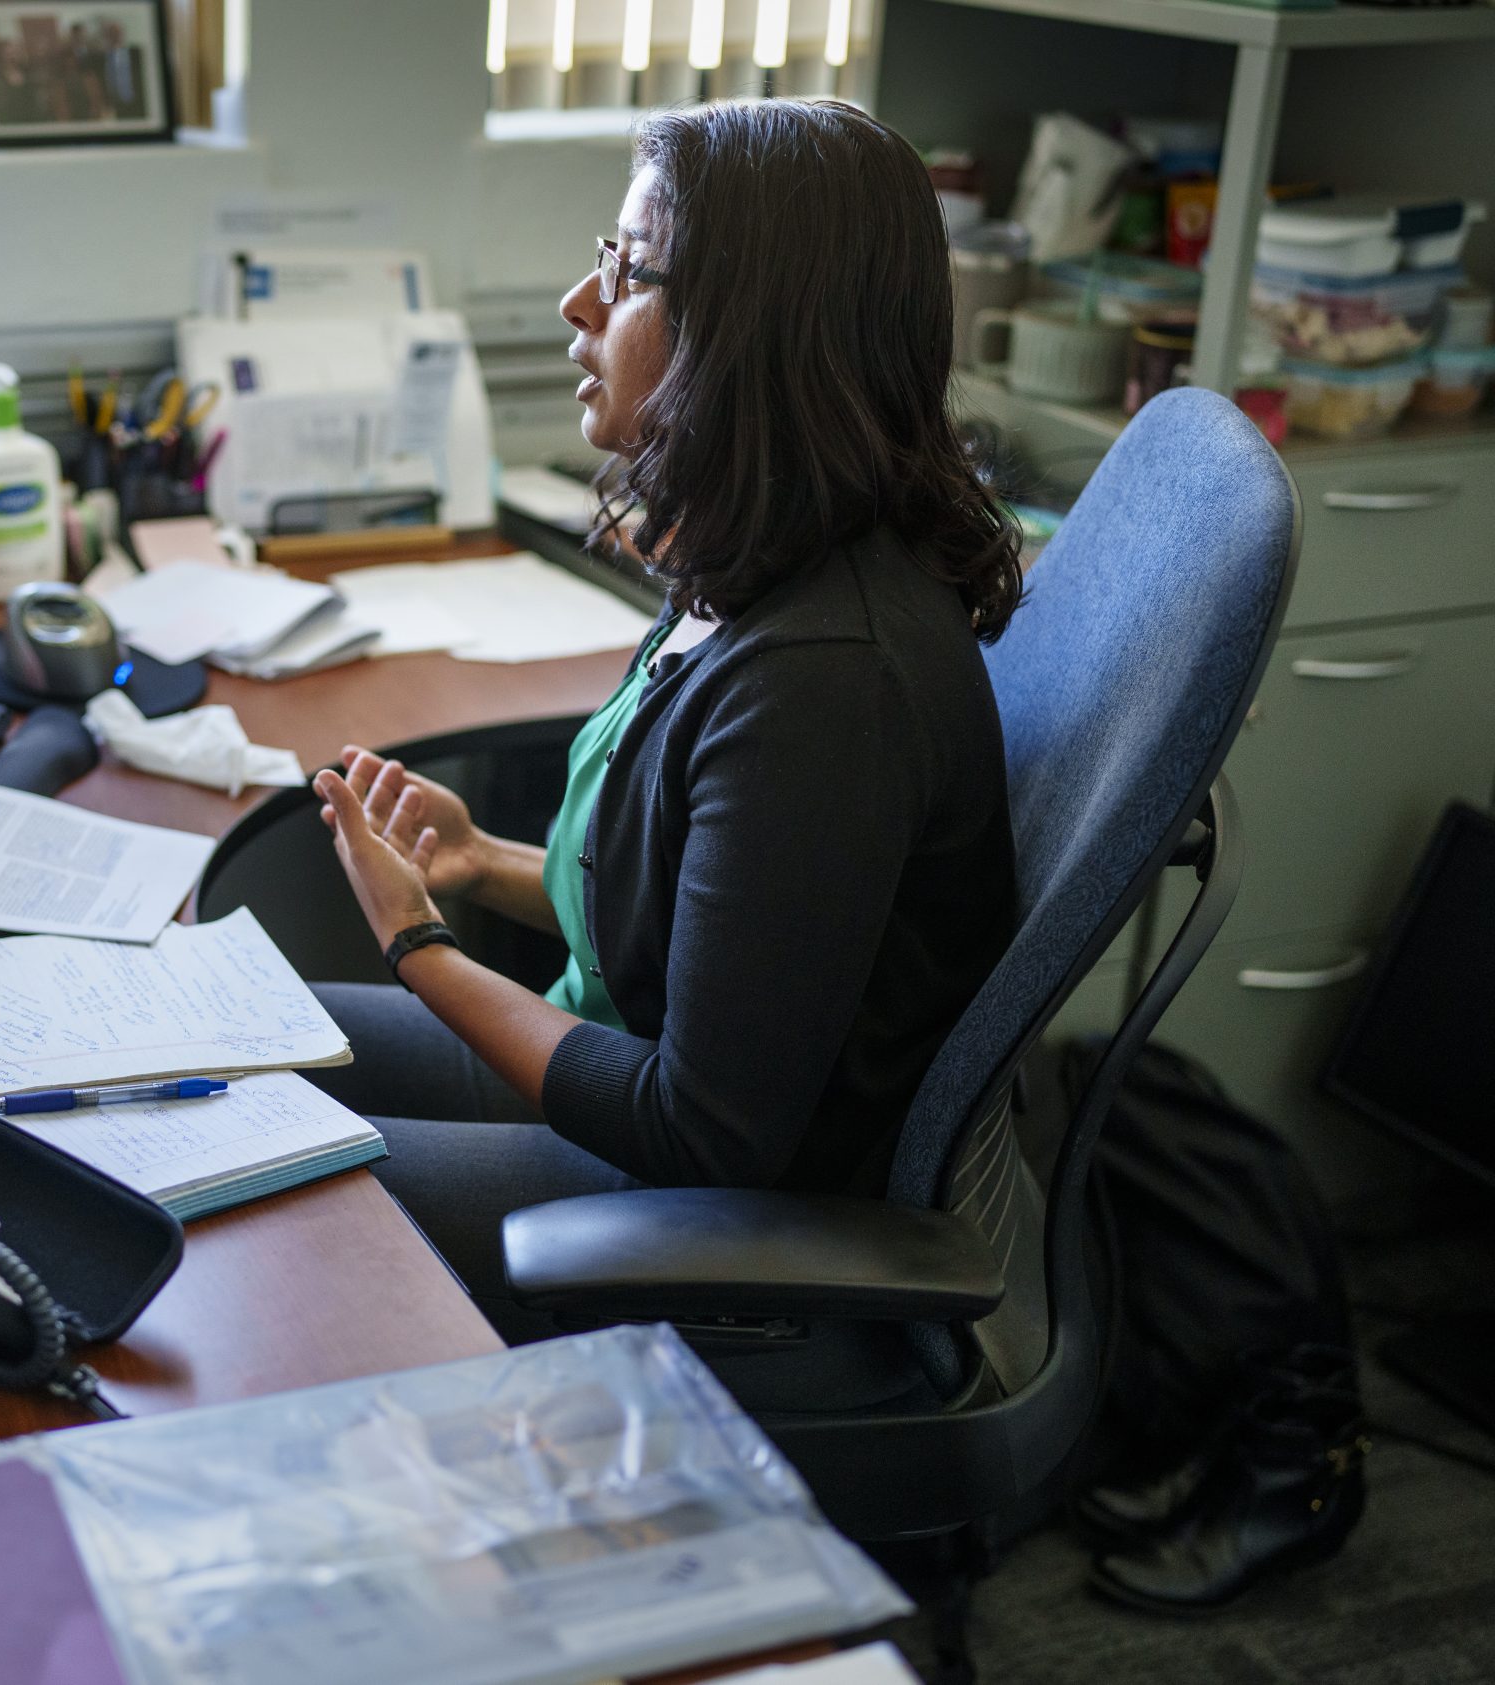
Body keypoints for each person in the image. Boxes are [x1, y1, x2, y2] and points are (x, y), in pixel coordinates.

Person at [302, 100, 1023, 1396]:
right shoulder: (752, 563)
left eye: (630, 272)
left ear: (752, 330)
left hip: (698, 1203)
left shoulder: (823, 683)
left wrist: (419, 946)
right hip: (620, 1076)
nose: (579, 302)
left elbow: (701, 1128)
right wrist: (485, 863)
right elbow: (713, 927)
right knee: (237, 1047)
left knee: (258, 1189)